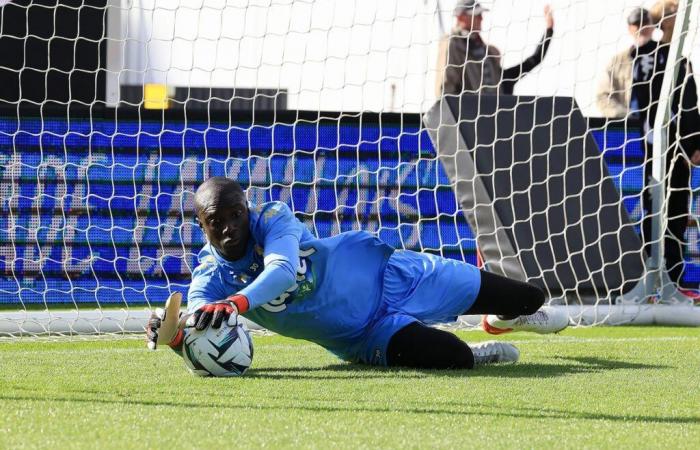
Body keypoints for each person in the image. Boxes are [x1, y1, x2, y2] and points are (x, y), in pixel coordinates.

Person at [147, 177, 568, 370]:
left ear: (248, 209)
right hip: (363, 334)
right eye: (216, 221)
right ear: (201, 226)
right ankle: (473, 350)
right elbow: (198, 314)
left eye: (236, 214)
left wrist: (236, 303)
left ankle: (501, 319)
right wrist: (173, 332)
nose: (229, 227)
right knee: (453, 357)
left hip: (392, 274)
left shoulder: (274, 218)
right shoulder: (210, 275)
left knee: (529, 298)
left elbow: (280, 271)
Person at [599, 2, 700, 284]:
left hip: (675, 147)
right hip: (647, 149)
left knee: (676, 212)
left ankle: (674, 279)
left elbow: (689, 101)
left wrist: (693, 141)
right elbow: (623, 99)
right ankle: (649, 278)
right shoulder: (638, 57)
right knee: (651, 212)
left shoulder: (677, 58)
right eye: (669, 17)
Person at [434, 0, 554, 98]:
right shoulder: (452, 44)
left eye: (480, 15)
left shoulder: (498, 74)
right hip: (468, 119)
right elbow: (446, 87)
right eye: (476, 15)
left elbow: (533, 60)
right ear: (461, 17)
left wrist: (549, 31)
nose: (481, 18)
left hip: (495, 121)